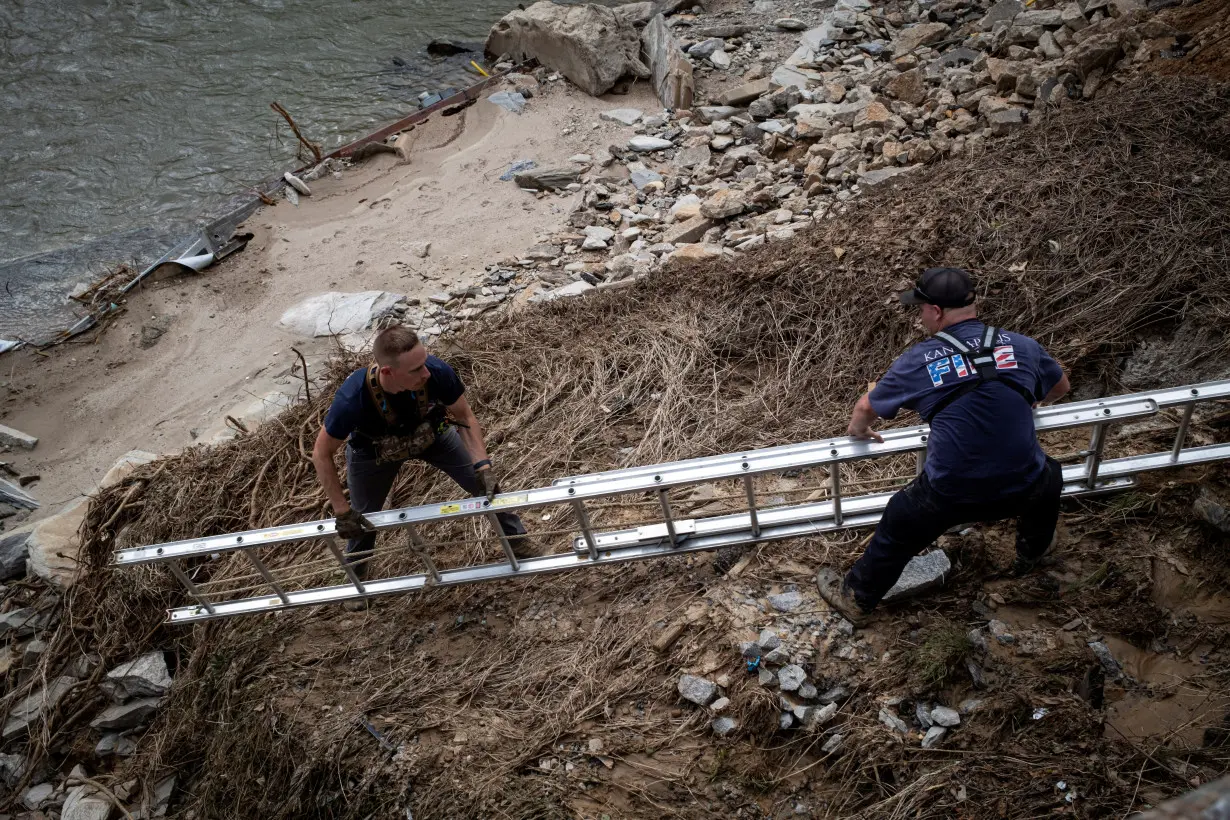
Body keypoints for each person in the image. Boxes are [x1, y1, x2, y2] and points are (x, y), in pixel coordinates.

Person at [817, 267, 1071, 626]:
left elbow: (865, 408)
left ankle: (857, 598)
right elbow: (1060, 387)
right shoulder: (1022, 345)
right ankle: (1032, 554)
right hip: (1024, 485)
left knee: (898, 521)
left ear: (935, 311)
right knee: (1051, 475)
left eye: (920, 309)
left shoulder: (920, 360)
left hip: (952, 494)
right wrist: (1024, 399)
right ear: (972, 304)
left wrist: (859, 432)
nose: (919, 317)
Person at [312, 326, 528, 581]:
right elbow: (321, 453)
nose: (426, 373)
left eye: (425, 363)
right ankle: (357, 576)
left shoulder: (435, 371)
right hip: (374, 454)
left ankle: (519, 542)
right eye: (415, 370)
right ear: (388, 372)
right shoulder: (353, 399)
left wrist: (483, 466)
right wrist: (341, 510)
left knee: (487, 488)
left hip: (431, 437)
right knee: (363, 518)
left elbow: (464, 416)